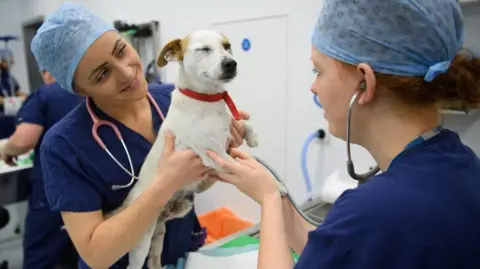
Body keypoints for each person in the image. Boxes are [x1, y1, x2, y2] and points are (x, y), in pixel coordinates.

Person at [207, 0, 480, 269]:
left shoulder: (374, 211)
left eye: (319, 71)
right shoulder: (460, 163)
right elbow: (339, 253)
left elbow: (357, 234)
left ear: (365, 82)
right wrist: (271, 191)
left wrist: (268, 202)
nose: (314, 87)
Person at [30, 2, 249, 269]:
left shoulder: (175, 99)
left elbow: (194, 185)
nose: (126, 72)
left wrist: (220, 151)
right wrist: (163, 185)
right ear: (79, 89)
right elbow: (95, 254)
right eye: (102, 74)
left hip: (181, 256)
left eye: (121, 50)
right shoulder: (63, 146)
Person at [0, 69, 83, 269]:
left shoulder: (44, 95)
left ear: (47, 72)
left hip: (54, 192)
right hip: (94, 187)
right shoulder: (91, 92)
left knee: (40, 255)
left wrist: (6, 150)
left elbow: (23, 141)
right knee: (84, 251)